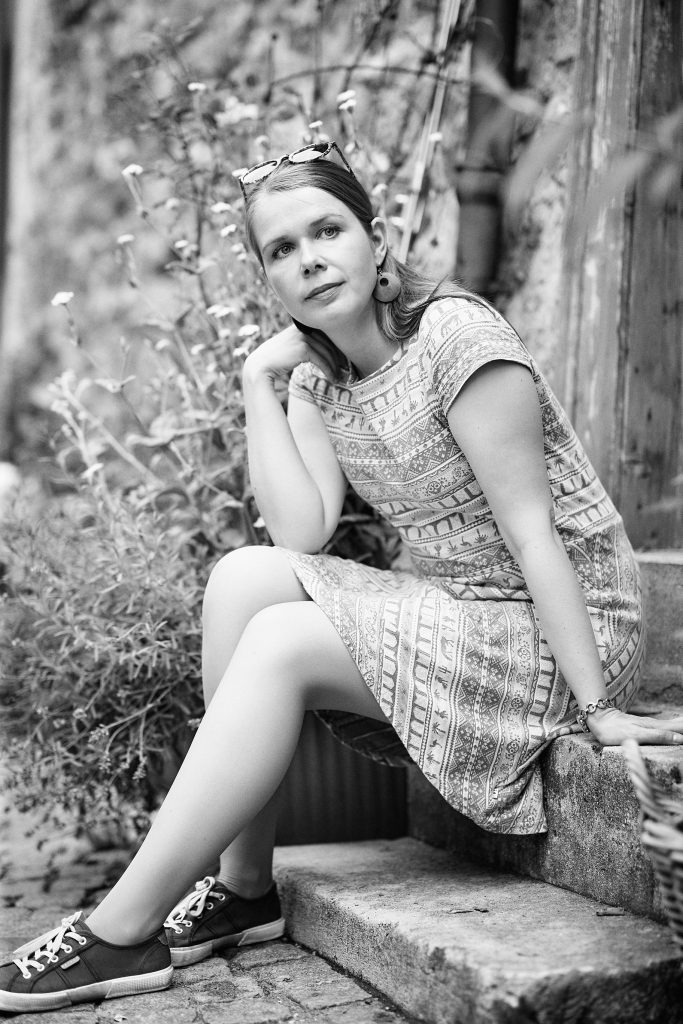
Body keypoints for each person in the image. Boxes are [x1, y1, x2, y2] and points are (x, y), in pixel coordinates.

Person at [2, 140, 683, 1015]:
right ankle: (244, 887)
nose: (310, 259)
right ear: (268, 280)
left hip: (566, 625)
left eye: (327, 231)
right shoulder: (319, 382)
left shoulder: (457, 338)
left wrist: (598, 709)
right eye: (282, 249)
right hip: (463, 606)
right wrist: (259, 377)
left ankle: (120, 929)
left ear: (377, 238)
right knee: (243, 579)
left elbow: (532, 532)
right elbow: (301, 531)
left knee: (282, 642)